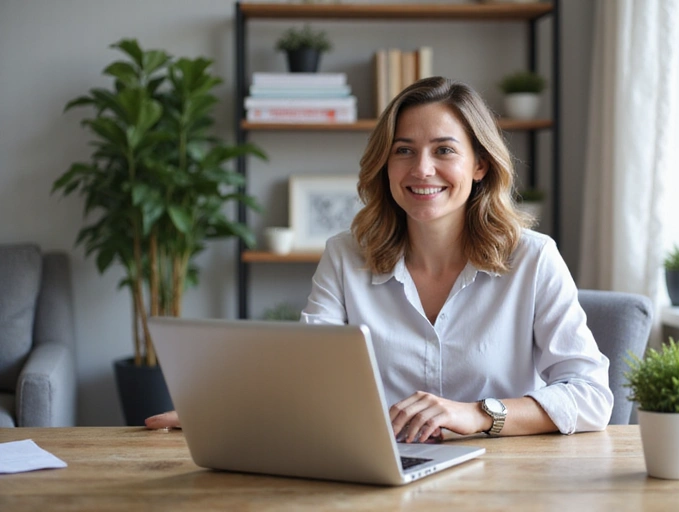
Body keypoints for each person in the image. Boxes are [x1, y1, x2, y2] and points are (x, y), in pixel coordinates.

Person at [146, 76, 612, 439]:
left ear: (480, 164)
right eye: (403, 151)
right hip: (382, 475)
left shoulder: (533, 259)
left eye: (444, 150)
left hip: (505, 479)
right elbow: (311, 377)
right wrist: (220, 412)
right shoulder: (345, 257)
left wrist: (478, 414)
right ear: (384, 166)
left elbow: (592, 397)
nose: (421, 169)